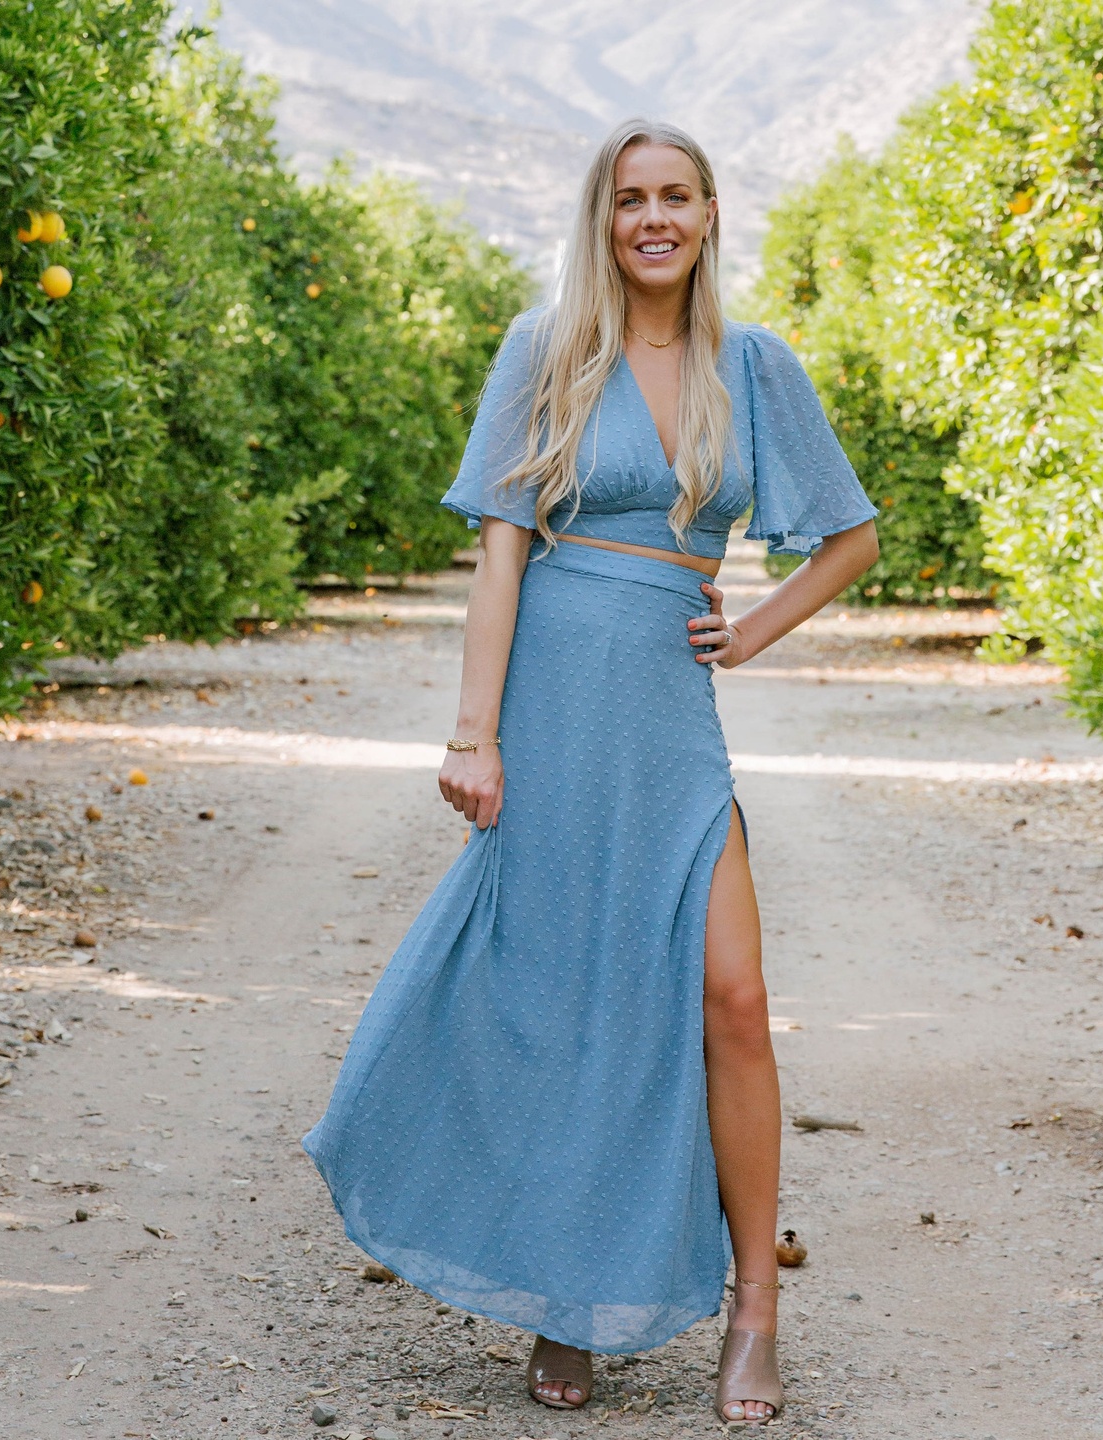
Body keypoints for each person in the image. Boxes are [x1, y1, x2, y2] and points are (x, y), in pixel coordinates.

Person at [303, 117, 879, 1427]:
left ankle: (754, 1310)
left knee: (734, 1001)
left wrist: (753, 629)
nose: (653, 219)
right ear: (602, 219)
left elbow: (851, 538)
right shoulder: (546, 348)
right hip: (554, 704)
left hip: (671, 724)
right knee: (565, 997)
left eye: (677, 196)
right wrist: (474, 731)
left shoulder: (755, 365)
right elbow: (500, 553)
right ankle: (567, 1299)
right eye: (631, 199)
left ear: (711, 214)